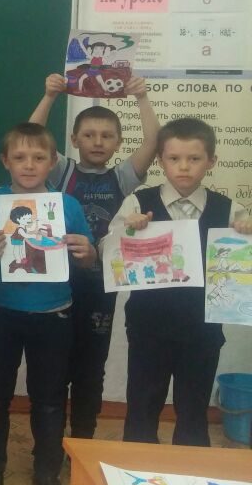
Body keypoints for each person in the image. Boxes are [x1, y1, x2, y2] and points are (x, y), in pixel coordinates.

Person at [0, 122, 95, 485]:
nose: (29, 165)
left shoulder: (67, 206)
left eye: (38, 157)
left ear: (52, 161)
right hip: (0, 312)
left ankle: (46, 474)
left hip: (53, 315)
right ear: (5, 160)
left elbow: (88, 259)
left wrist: (86, 251)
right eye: (20, 157)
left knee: (50, 399)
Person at [30, 73, 159, 438]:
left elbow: (153, 141)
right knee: (55, 364)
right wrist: (49, 96)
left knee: (91, 367)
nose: (98, 142)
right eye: (88, 135)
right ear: (74, 140)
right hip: (58, 283)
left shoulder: (122, 178)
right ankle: (50, 442)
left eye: (106, 136)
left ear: (118, 142)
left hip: (102, 284)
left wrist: (142, 98)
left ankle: (83, 438)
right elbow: (31, 137)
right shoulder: (62, 170)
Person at [108, 118, 252, 446]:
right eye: (174, 158)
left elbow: (243, 268)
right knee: (142, 406)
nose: (184, 167)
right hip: (148, 327)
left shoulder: (232, 211)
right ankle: (137, 470)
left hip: (202, 331)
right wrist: (127, 231)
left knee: (193, 411)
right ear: (161, 160)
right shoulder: (137, 203)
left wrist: (247, 233)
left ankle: (188, 472)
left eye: (194, 158)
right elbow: (106, 252)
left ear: (211, 161)